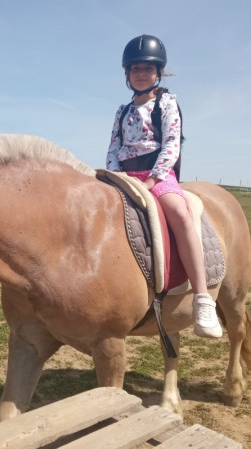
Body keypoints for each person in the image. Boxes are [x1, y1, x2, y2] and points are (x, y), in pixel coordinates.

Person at [106, 34, 222, 338]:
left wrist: (154, 179)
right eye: (135, 69)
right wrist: (114, 175)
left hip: (157, 174)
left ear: (159, 72)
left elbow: (172, 144)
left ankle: (202, 298)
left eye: (147, 68)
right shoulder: (122, 111)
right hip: (125, 175)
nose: (141, 74)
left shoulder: (167, 103)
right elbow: (114, 147)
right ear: (127, 74)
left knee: (180, 214)